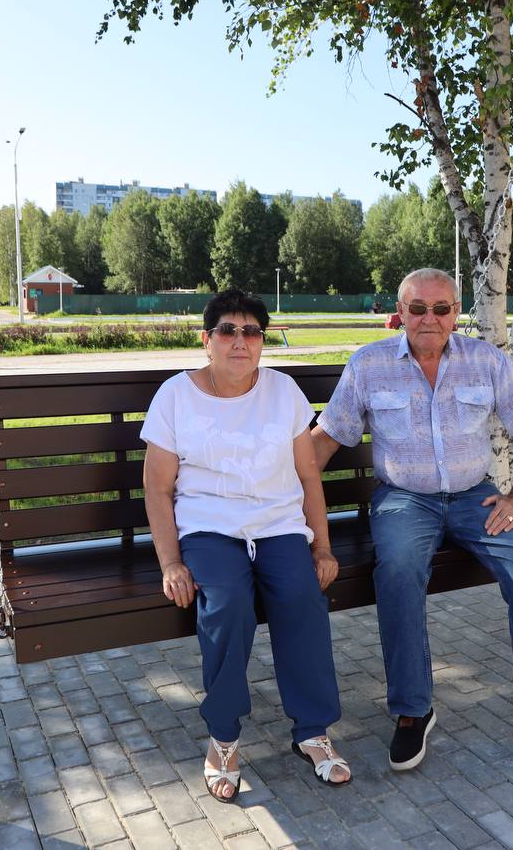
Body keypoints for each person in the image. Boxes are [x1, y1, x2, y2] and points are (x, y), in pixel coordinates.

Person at [310, 268, 513, 779]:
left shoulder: (484, 361)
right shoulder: (369, 365)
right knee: (398, 570)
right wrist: (269, 491)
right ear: (400, 313)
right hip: (404, 499)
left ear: (455, 313)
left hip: (475, 498)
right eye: (418, 308)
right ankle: (412, 710)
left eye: (441, 308)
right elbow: (326, 440)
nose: (430, 318)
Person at [141, 289, 351, 804]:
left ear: (262, 340)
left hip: (278, 525)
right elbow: (158, 488)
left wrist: (322, 547)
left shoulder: (284, 392)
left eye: (251, 331)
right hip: (208, 530)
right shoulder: (175, 396)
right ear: (206, 339)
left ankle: (312, 731)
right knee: (228, 604)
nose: (240, 341)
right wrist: (170, 562)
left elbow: (308, 474)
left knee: (302, 598)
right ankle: (224, 736)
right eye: (228, 330)